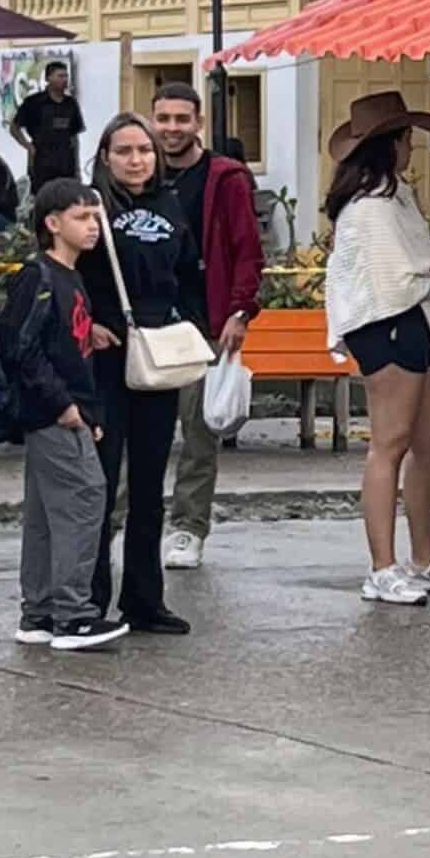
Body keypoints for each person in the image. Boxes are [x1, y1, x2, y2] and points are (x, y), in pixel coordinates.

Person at [324, 91, 430, 607]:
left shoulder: (395, 196)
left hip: (410, 319)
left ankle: (425, 558)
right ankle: (382, 566)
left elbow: (406, 265)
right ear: (387, 145)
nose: (411, 148)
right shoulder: (369, 207)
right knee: (389, 443)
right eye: (406, 139)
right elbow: (390, 281)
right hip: (385, 323)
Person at [84, 111, 198, 635]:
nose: (136, 160)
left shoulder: (170, 205)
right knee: (101, 483)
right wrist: (86, 327)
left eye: (145, 151)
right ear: (106, 157)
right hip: (105, 358)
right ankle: (89, 596)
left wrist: (193, 328)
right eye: (125, 151)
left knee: (151, 483)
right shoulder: (91, 207)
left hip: (158, 353)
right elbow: (66, 274)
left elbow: (187, 273)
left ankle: (145, 598)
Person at [2, 180, 128, 651]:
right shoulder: (38, 276)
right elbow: (23, 350)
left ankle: (39, 612)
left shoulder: (70, 277)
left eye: (95, 217)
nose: (93, 226)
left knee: (44, 511)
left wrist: (88, 332)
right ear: (52, 224)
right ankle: (74, 614)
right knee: (86, 497)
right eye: (82, 217)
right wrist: (64, 405)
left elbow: (55, 338)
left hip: (64, 408)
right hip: (53, 412)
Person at [151, 83, 263, 571]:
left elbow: (248, 251)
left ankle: (188, 528)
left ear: (198, 123)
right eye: (163, 119)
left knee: (198, 434)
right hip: (149, 324)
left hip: (205, 322)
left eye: (181, 119)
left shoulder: (226, 178)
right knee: (140, 433)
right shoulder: (140, 173)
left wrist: (239, 312)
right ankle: (123, 520)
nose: (171, 128)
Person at [12, 61, 87, 193]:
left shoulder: (71, 104)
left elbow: (74, 136)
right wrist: (28, 146)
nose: (64, 80)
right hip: (42, 165)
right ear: (48, 78)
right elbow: (14, 127)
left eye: (66, 76)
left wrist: (77, 168)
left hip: (66, 165)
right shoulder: (34, 102)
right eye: (60, 76)